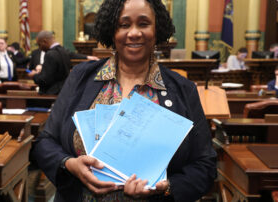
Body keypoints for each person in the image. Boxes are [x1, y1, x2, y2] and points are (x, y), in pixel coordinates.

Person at [32, 0, 217, 201]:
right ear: (112, 31)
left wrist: (167, 187)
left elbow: (205, 165)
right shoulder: (80, 77)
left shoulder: (183, 90)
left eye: (144, 23)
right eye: (124, 24)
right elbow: (45, 142)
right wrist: (69, 164)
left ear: (157, 30)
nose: (134, 33)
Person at [28, 31, 99, 95]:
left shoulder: (50, 54)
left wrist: (34, 75)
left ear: (44, 41)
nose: (40, 48)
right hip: (64, 91)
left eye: (39, 45)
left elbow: (45, 80)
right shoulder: (63, 51)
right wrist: (87, 57)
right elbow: (72, 55)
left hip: (52, 93)